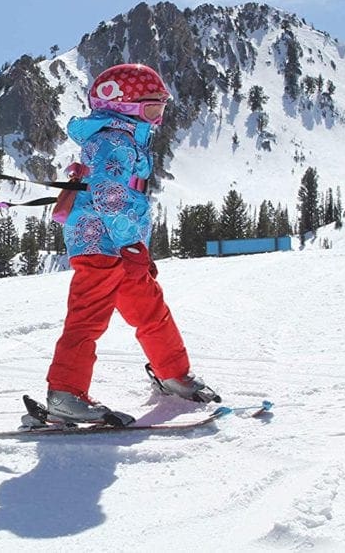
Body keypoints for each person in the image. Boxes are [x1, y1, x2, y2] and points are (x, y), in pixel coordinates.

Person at [44, 63, 220, 424]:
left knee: (150, 309)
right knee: (88, 317)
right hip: (98, 243)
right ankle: (64, 393)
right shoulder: (113, 141)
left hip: (121, 244)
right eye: (152, 107)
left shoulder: (126, 138)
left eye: (161, 108)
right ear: (125, 106)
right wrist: (132, 245)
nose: (158, 117)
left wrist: (133, 245)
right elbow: (110, 196)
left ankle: (173, 373)